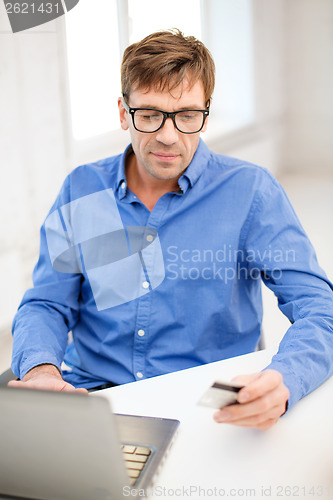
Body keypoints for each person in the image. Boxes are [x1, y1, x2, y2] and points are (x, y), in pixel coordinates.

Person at [9, 29, 333, 430]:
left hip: (204, 406)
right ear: (123, 112)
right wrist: (41, 371)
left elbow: (321, 309)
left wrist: (285, 379)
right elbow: (47, 303)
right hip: (90, 396)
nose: (167, 136)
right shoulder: (82, 189)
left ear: (206, 112)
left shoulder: (252, 192)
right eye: (149, 115)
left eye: (187, 116)